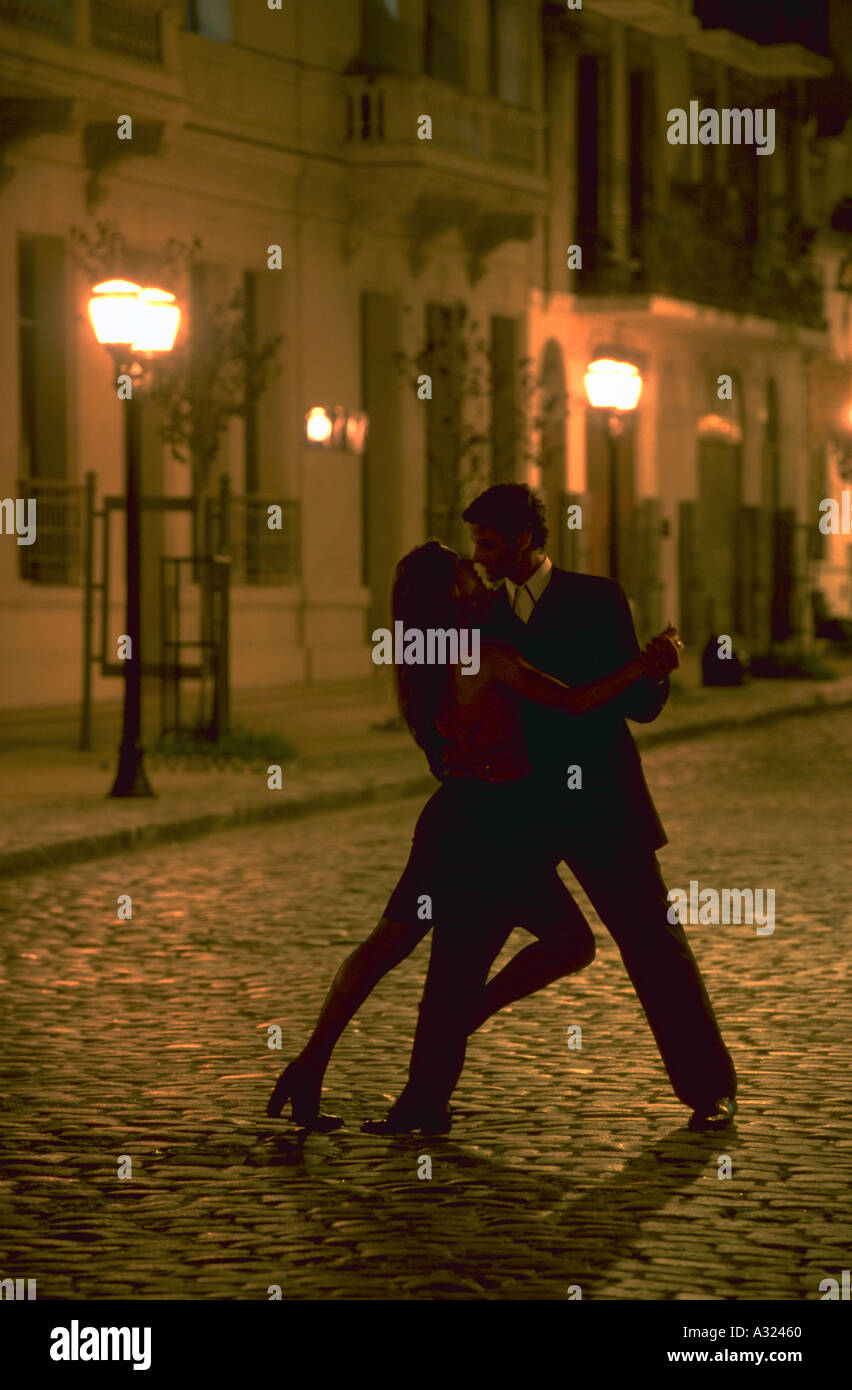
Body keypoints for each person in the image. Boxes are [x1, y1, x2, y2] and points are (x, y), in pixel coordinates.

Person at [266, 538, 681, 1132]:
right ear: (449, 589)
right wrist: (643, 664)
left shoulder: (423, 656)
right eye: (465, 568)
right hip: (489, 828)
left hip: (456, 815)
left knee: (388, 946)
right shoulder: (482, 654)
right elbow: (571, 702)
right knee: (557, 945)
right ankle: (441, 1054)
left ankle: (312, 1068)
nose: (478, 570)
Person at [369, 484, 737, 1137]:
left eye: (488, 542)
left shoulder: (597, 598)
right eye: (475, 543)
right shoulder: (477, 610)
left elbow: (642, 708)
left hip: (604, 804)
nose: (479, 556)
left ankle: (710, 1089)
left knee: (652, 945)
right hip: (514, 810)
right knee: (461, 948)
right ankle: (421, 1100)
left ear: (524, 541)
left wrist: (658, 669)